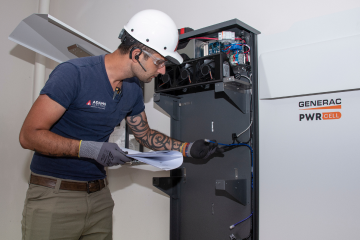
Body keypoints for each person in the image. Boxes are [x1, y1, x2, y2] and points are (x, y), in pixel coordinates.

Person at [19, 9, 223, 240]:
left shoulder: (133, 89)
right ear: (137, 54)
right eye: (158, 62)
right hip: (54, 196)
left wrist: (187, 148)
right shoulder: (73, 74)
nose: (162, 70)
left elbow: (145, 134)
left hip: (99, 197)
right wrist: (90, 149)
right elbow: (29, 136)